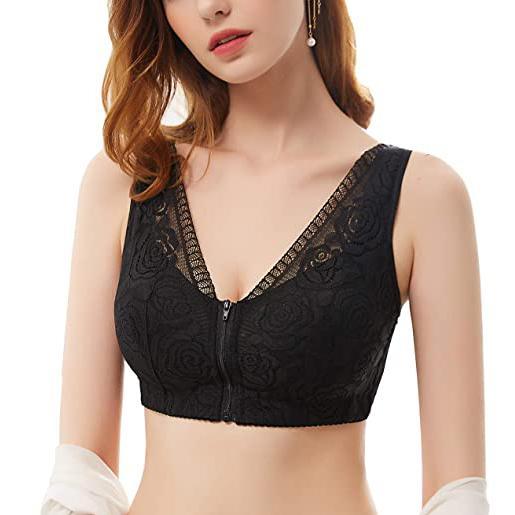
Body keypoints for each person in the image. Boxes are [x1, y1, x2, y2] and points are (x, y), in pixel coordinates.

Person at [41, 1, 489, 514]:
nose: (211, 7)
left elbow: (457, 496)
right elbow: (80, 475)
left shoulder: (421, 196)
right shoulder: (129, 180)